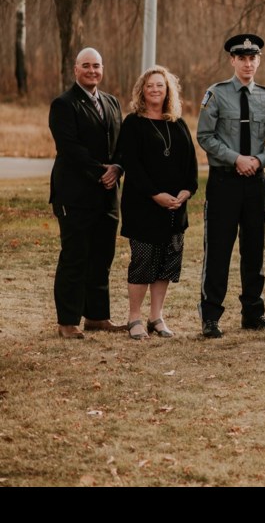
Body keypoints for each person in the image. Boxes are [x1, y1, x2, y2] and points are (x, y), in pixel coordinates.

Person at [196, 34, 265, 338]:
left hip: (255, 182)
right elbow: (205, 136)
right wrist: (236, 159)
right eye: (242, 58)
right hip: (225, 182)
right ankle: (211, 316)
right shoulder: (216, 94)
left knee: (254, 248)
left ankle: (253, 313)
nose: (248, 63)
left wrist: (259, 160)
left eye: (252, 58)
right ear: (232, 60)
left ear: (258, 61)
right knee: (219, 249)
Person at [49, 47, 126, 338]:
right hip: (75, 194)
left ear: (102, 69)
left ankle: (97, 316)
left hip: (108, 194)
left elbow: (120, 143)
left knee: (102, 256)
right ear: (75, 70)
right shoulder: (63, 104)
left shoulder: (112, 102)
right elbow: (69, 147)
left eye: (96, 66)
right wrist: (100, 172)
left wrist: (117, 167)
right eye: (86, 66)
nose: (92, 71)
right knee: (75, 256)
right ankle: (67, 322)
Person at [117, 66, 198, 339]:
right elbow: (133, 165)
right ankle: (134, 318)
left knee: (166, 264)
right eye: (150, 85)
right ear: (142, 90)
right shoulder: (133, 123)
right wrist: (155, 195)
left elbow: (191, 163)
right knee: (143, 262)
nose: (155, 90)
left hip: (175, 208)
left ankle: (156, 317)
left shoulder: (178, 123)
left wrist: (187, 191)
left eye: (160, 86)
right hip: (144, 206)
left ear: (168, 90)